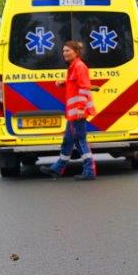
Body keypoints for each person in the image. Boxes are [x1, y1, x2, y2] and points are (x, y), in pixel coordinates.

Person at [41, 40, 99, 181]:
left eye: (68, 50)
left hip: (78, 112)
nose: (64, 53)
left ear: (76, 52)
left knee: (80, 141)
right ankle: (57, 168)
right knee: (68, 141)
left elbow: (85, 88)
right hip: (73, 113)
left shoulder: (80, 67)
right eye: (63, 51)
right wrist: (64, 83)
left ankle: (89, 170)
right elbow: (75, 83)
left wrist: (80, 108)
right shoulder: (73, 67)